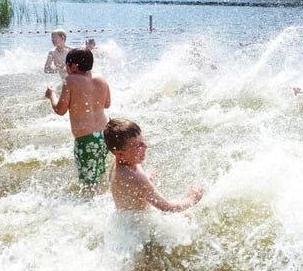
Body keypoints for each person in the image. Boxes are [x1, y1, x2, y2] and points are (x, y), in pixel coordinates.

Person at [103, 118, 204, 212]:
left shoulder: (119, 160)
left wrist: (142, 182)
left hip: (126, 220)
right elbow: (167, 207)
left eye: (143, 141)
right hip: (139, 227)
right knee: (187, 215)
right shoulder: (136, 177)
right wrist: (192, 199)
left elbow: (128, 185)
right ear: (120, 154)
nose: (146, 146)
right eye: (138, 145)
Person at [45, 48, 111, 188]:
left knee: (88, 182)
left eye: (66, 65)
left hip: (86, 138)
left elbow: (60, 110)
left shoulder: (71, 80)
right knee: (99, 172)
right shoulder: (101, 79)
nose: (65, 68)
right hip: (105, 134)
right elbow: (107, 104)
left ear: (73, 66)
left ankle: (91, 205)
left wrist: (52, 95)